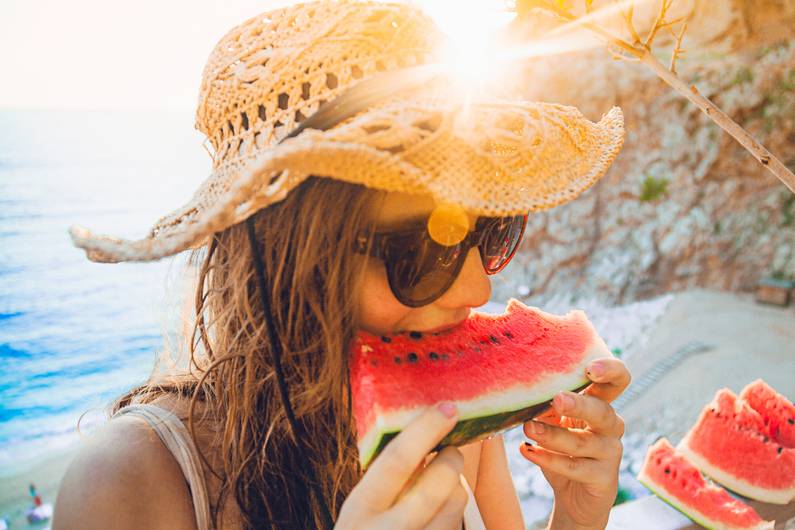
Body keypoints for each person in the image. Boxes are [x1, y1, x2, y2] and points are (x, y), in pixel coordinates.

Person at [53, 2, 630, 529]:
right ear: (288, 261)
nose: (478, 288)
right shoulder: (128, 484)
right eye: (426, 248)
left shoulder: (457, 431)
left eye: (492, 229)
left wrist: (576, 518)